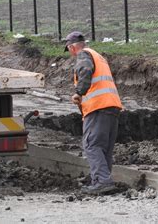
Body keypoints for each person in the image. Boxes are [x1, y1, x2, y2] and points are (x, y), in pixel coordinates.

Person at [64, 31, 123, 195]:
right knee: (104, 148)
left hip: (98, 107)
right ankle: (101, 179)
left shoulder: (83, 55)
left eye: (69, 49)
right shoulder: (98, 56)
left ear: (72, 47)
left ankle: (103, 181)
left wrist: (79, 92)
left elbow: (85, 70)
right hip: (112, 106)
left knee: (92, 145)